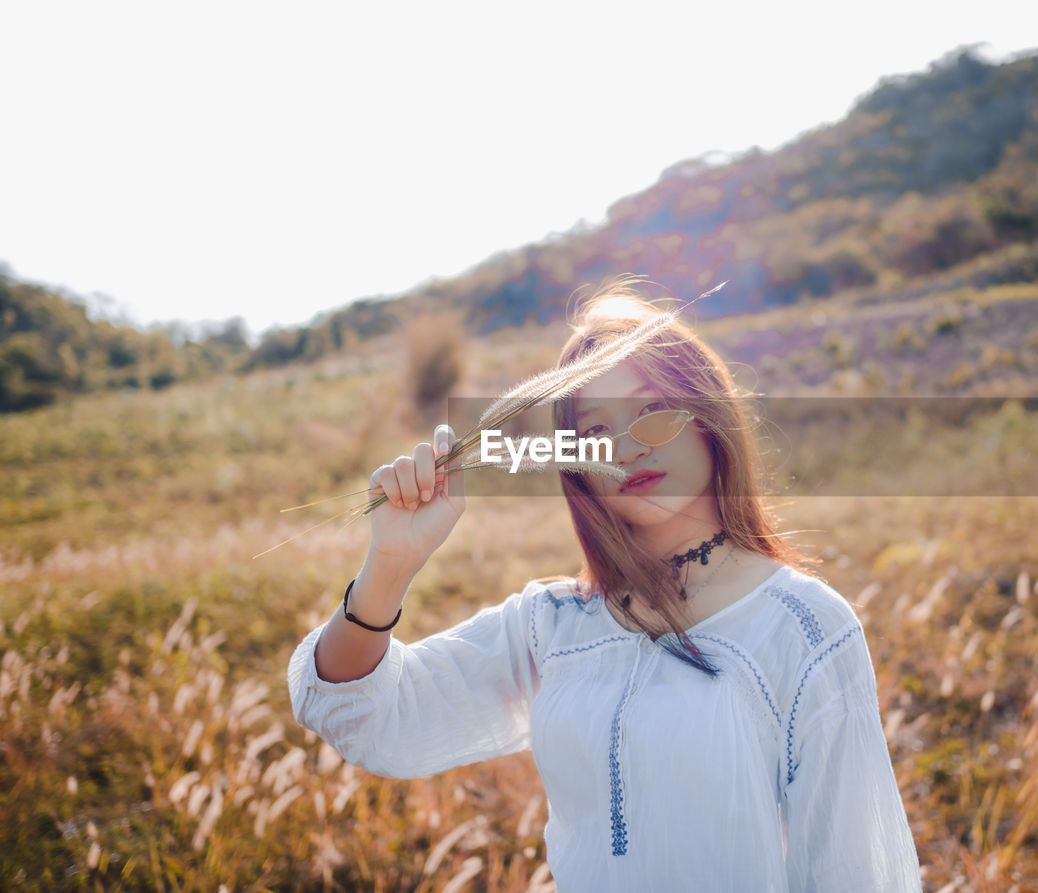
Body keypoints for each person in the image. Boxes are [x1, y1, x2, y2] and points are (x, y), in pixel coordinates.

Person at [287, 283, 923, 892]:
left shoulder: (803, 627)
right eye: (593, 432)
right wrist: (391, 565)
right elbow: (364, 716)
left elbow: (854, 871)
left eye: (652, 412)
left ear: (707, 416)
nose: (625, 446)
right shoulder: (553, 625)